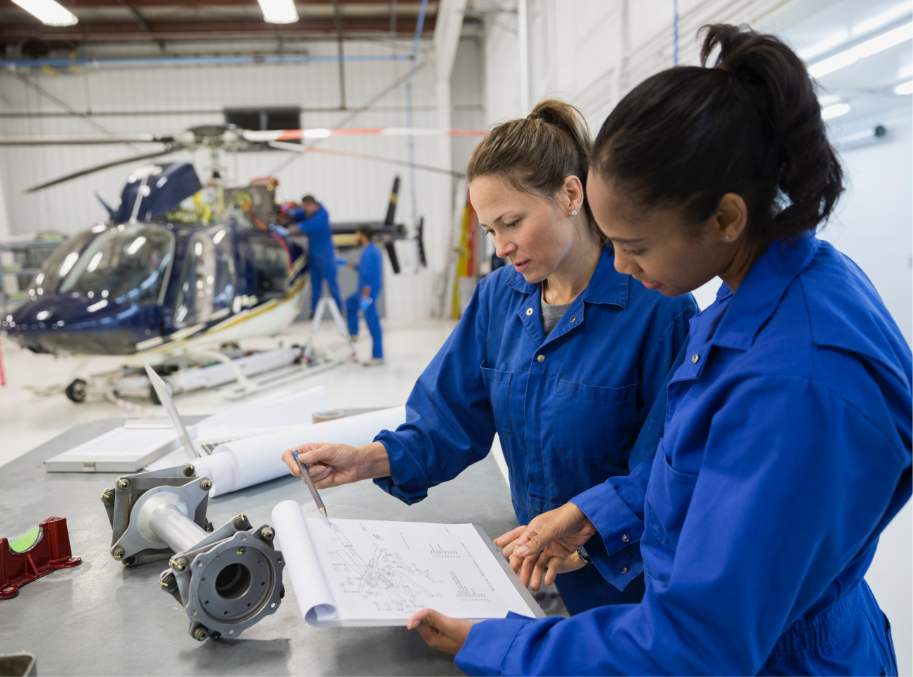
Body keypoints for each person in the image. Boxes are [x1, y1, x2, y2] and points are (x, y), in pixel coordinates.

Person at [404, 25, 912, 677]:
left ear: (725, 218)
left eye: (636, 246)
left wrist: (497, 643)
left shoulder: (795, 379)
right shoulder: (764, 288)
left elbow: (696, 645)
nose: (618, 263)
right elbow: (706, 467)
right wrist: (595, 514)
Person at [282, 99, 698, 615]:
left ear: (571, 193)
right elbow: (449, 418)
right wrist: (365, 458)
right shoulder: (499, 298)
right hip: (532, 568)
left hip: (628, 588)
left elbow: (672, 466)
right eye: (489, 232)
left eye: (512, 223)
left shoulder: (658, 306)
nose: (500, 247)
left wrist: (587, 527)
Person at [286, 195, 343, 315]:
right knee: (315, 285)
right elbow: (299, 214)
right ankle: (314, 311)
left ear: (310, 205)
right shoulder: (310, 211)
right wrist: (289, 213)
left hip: (325, 255)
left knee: (332, 284)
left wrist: (290, 230)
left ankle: (340, 309)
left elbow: (308, 225)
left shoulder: (322, 215)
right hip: (313, 254)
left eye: (304, 207)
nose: (303, 210)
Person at [345, 226, 384, 366]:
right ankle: (353, 333)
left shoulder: (368, 253)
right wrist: (349, 264)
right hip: (364, 291)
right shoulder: (370, 250)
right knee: (349, 303)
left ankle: (378, 356)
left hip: (368, 292)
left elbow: (368, 276)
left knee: (373, 323)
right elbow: (363, 269)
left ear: (363, 235)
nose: (355, 235)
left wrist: (365, 298)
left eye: (357, 233)